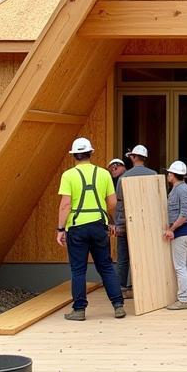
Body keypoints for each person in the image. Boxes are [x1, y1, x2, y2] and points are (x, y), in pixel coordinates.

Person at [56, 136, 126, 321]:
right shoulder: (103, 174)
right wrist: (110, 222)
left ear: (74, 156)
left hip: (77, 227)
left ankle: (79, 310)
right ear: (91, 153)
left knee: (78, 270)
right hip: (98, 226)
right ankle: (118, 305)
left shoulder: (68, 175)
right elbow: (112, 203)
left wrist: (60, 229)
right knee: (106, 267)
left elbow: (66, 205)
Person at [114, 144, 157, 299]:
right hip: (146, 226)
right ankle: (142, 288)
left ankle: (121, 290)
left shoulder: (124, 177)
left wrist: (118, 224)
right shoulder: (153, 175)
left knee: (123, 258)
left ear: (133, 157)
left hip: (126, 224)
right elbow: (157, 202)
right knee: (144, 256)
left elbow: (120, 203)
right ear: (144, 158)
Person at [162, 160, 187, 310]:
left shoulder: (181, 190)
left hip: (183, 232)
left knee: (180, 267)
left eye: (169, 173)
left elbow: (184, 214)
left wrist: (172, 229)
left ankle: (183, 300)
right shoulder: (182, 188)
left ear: (173, 175)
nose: (167, 175)